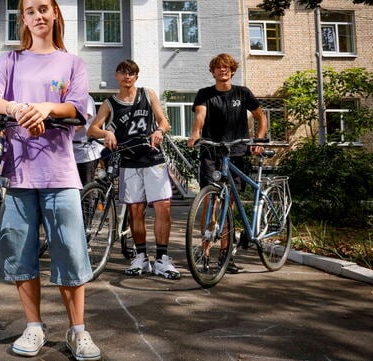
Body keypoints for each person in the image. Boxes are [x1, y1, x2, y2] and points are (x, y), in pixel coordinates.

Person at [0, 0, 101, 361]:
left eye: (44, 9)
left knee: (70, 251)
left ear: (55, 14)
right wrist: (18, 109)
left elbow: (77, 109)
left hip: (60, 173)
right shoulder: (10, 61)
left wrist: (46, 109)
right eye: (30, 10)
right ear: (24, 19)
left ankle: (78, 331)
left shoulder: (72, 64)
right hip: (18, 173)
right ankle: (33, 326)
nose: (38, 16)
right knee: (20, 251)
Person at [87, 59, 180, 280]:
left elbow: (164, 122)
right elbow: (92, 129)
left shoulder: (147, 95)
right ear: (117, 76)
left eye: (132, 73)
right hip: (128, 161)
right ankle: (141, 257)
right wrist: (106, 133)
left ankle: (162, 259)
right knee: (135, 211)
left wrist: (159, 131)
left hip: (152, 157)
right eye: (123, 72)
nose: (128, 76)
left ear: (136, 76)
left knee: (163, 207)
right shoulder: (109, 103)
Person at [187, 53, 267, 273]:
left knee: (229, 204)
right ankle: (203, 253)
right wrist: (195, 132)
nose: (222, 71)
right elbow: (200, 116)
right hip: (211, 151)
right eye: (218, 68)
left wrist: (259, 139)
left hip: (237, 152)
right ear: (213, 71)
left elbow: (261, 116)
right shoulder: (205, 94)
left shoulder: (243, 93)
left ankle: (225, 254)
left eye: (226, 67)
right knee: (210, 201)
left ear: (232, 71)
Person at [73, 95, 104, 186]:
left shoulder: (86, 99)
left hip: (86, 152)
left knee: (86, 188)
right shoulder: (64, 100)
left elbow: (81, 122)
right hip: (70, 152)